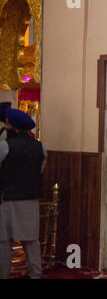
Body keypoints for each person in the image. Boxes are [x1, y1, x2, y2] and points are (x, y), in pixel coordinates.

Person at [0, 108, 46, 279]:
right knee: (31, 239)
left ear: (13, 126)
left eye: (7, 123)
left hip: (8, 199)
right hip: (31, 199)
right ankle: (36, 273)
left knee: (4, 242)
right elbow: (39, 171)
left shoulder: (4, 146)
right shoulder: (41, 147)